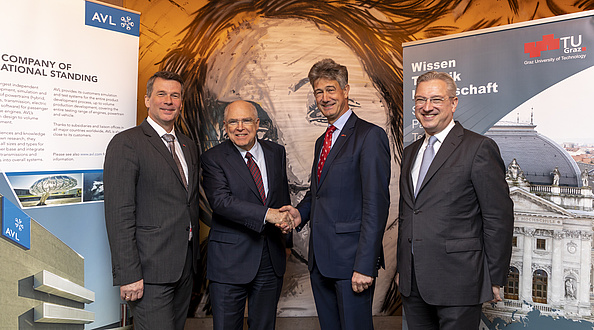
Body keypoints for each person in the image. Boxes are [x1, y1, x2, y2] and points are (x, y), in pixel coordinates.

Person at [396, 71, 514, 330]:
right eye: (420, 100)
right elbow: (409, 214)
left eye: (436, 99)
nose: (427, 107)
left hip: (459, 281)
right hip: (413, 282)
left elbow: (498, 217)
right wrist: (402, 269)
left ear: (454, 102)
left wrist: (494, 278)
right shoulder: (410, 152)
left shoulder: (479, 148)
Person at [283, 58, 391, 330]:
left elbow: (376, 205)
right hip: (321, 261)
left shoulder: (370, 136)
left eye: (331, 89)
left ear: (346, 90)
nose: (324, 97)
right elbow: (319, 193)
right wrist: (299, 213)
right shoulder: (323, 140)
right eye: (318, 92)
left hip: (352, 263)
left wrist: (365, 265)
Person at [104, 71, 200, 330]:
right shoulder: (127, 143)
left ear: (181, 102)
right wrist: (129, 275)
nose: (168, 101)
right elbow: (118, 214)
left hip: (184, 268)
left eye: (175, 95)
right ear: (147, 100)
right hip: (148, 272)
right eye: (161, 94)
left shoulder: (189, 146)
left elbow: (188, 203)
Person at [200, 100, 293, 330]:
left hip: (271, 256)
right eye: (233, 121)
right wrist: (268, 215)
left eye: (246, 120)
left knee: (264, 326)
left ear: (257, 123)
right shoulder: (213, 158)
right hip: (229, 260)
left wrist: (287, 239)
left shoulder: (275, 152)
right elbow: (221, 202)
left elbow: (282, 198)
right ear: (225, 126)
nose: (239, 127)